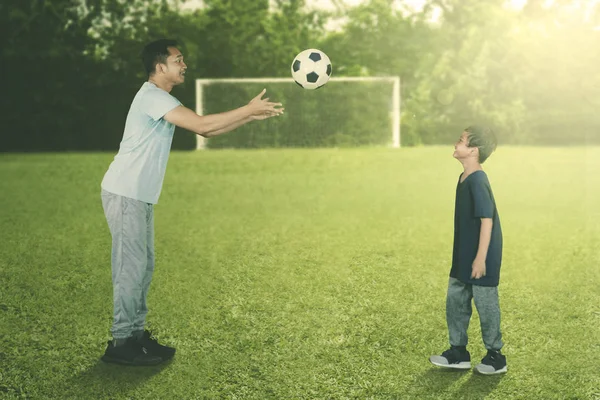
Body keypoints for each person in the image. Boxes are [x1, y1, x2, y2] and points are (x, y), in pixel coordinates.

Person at [99, 39, 284, 366]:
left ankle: (136, 335)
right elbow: (202, 124)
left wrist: (248, 117)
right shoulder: (152, 97)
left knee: (144, 267)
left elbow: (207, 133)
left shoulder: (161, 99)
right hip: (125, 192)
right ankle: (120, 343)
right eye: (178, 60)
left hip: (138, 195)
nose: (184, 65)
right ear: (160, 67)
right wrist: (248, 109)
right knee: (131, 269)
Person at [429, 126, 507, 375]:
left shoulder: (478, 180)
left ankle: (495, 357)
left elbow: (487, 220)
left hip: (481, 258)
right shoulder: (463, 177)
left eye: (461, 141)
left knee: (486, 306)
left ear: (473, 150)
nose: (456, 143)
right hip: (463, 255)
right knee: (456, 302)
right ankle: (458, 353)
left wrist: (480, 259)